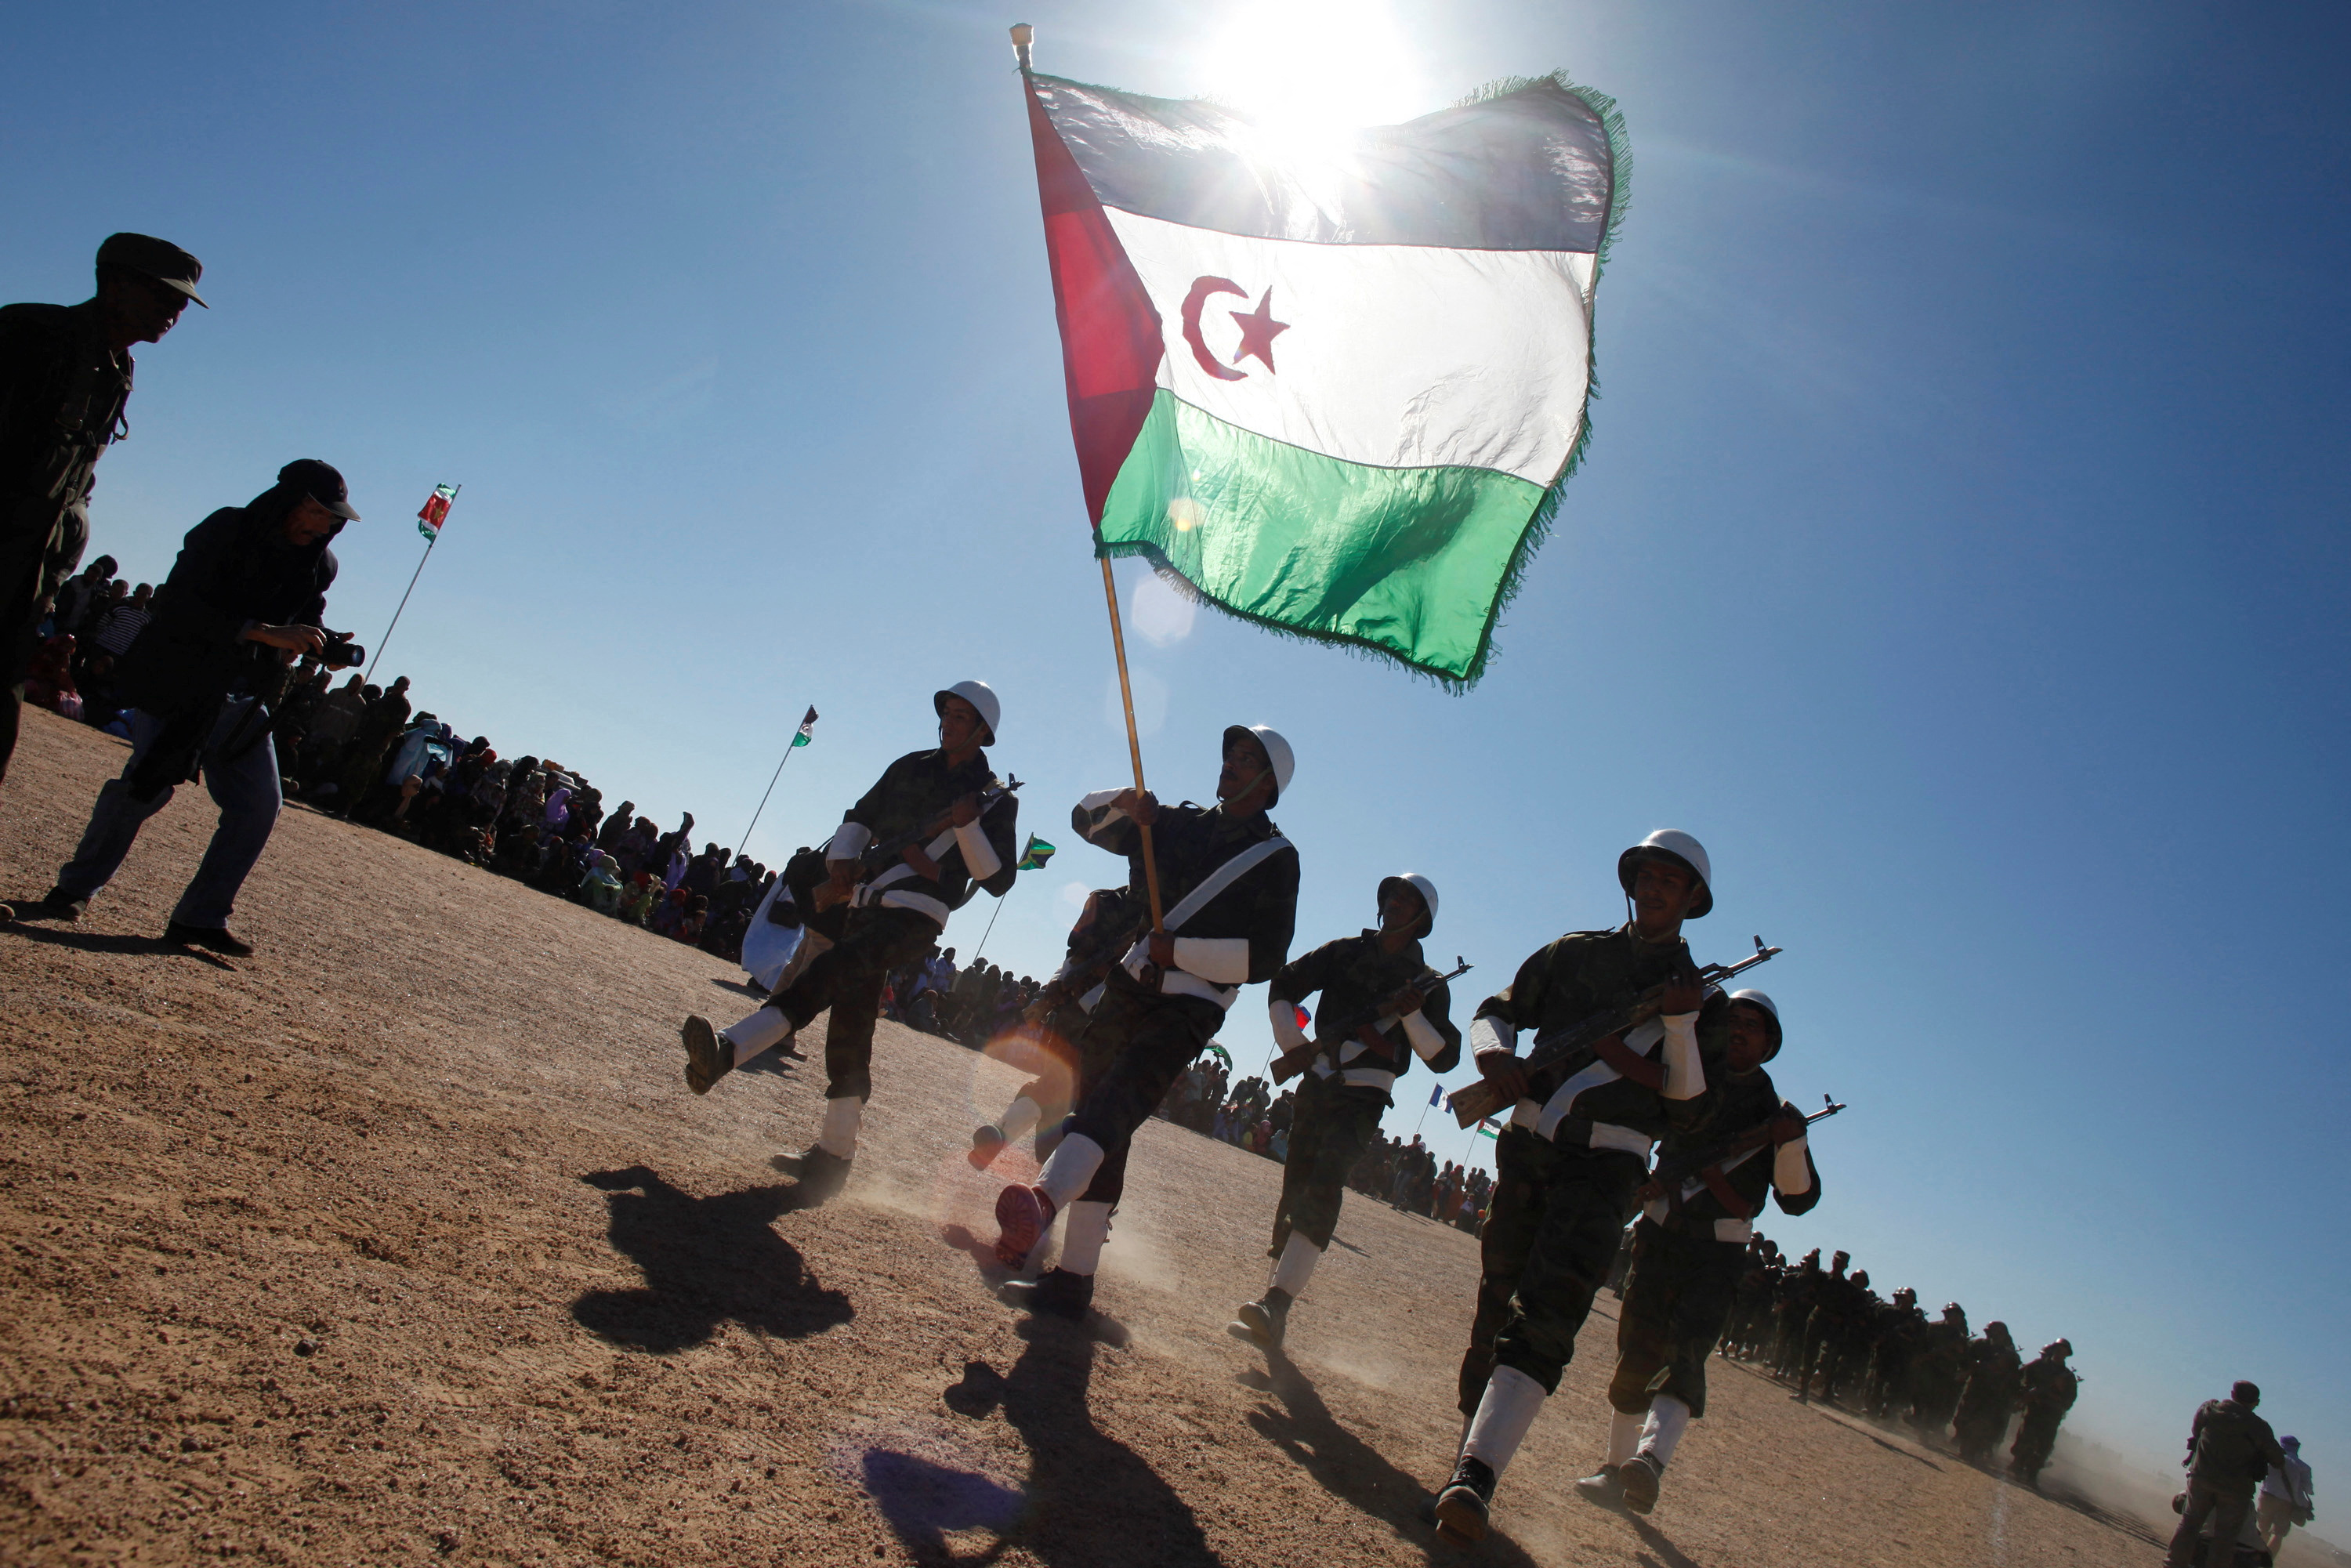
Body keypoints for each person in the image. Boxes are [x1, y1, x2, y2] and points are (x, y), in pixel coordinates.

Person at [1432, 831, 1715, 1545]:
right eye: (1647, 876)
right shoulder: (1575, 952)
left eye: (1671, 882)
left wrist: (1678, 1024)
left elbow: (1688, 1111)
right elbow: (1496, 1009)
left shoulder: (1703, 1004)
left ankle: (1479, 1474)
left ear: (1691, 900)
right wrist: (1496, 1055)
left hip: (1609, 1166)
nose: (1654, 889)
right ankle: (1467, 1452)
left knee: (1551, 1308)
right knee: (1497, 1297)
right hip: (1529, 1147)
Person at [988, 724, 1300, 1323]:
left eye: (1247, 760)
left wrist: (1177, 954)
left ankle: (1044, 1200)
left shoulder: (1277, 860)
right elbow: (1085, 822)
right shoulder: (1176, 822)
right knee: (1105, 1123)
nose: (1231, 764)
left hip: (1191, 1003)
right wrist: (1123, 802)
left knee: (1113, 1103)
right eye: (1231, 753)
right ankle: (1074, 1279)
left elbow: (1266, 958)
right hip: (1129, 986)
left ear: (1268, 785)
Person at [676, 683, 1018, 1202]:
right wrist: (842, 860)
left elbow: (997, 879)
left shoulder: (994, 797)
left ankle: (727, 1049)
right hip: (865, 901)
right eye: (947, 711)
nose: (949, 720)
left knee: (827, 972)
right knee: (851, 1027)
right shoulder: (910, 765)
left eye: (961, 715)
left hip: (918, 916)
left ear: (982, 731)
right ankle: (834, 1158)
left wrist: (968, 827)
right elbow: (861, 814)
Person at [3, 461, 358, 951]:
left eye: (332, 516)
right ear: (289, 500)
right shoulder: (226, 530)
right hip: (178, 681)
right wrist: (258, 630)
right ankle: (72, 891)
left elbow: (306, 616)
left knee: (259, 806)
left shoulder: (321, 566)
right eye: (318, 511)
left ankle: (200, 918)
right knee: (145, 790)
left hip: (239, 697)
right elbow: (178, 603)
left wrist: (319, 645)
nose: (326, 524)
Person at [1574, 989, 1818, 1515]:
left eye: (1753, 1025)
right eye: (1733, 1020)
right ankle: (1615, 1466)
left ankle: (1650, 1460)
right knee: (1634, 1350)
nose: (1739, 1030)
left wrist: (1790, 1141)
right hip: (1661, 1235)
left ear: (1769, 1042)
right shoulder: (1690, 1078)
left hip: (1716, 1254)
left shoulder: (1774, 1113)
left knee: (1685, 1355)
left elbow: (1796, 1197)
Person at [1, 234, 203, 787]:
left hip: (27, 580)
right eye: (164, 296)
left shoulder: (117, 370)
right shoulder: (31, 336)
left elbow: (75, 479)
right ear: (114, 285)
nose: (175, 311)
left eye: (182, 302)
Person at [1230, 872, 1460, 1349]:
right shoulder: (1343, 951)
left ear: (1423, 919)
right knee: (1296, 1183)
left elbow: (1443, 1058)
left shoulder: (1430, 983)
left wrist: (1411, 1013)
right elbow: (1284, 985)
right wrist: (1297, 1047)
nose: (1395, 903)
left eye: (1407, 900)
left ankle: (1278, 1302)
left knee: (1325, 1182)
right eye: (1392, 895)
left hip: (1366, 1093)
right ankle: (1269, 1303)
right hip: (1319, 1080)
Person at [2165, 1382, 2288, 1568]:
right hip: (2236, 1491)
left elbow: (2196, 1431)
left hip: (2201, 1479)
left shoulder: (2211, 1410)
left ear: (2232, 1394)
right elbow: (2278, 1460)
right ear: (2257, 1402)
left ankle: (2173, 1564)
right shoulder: (2259, 1427)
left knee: (2189, 1525)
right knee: (2224, 1539)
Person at [2008, 1338, 2078, 1487]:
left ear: (2067, 1354)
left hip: (2051, 1414)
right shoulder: (2039, 1366)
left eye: (2063, 1350)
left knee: (2043, 1445)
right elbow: (2021, 1377)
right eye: (2057, 1349)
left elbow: (2069, 1401)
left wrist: (2057, 1394)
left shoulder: (2068, 1377)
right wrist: (2024, 1393)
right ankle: (2018, 1466)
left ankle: (2032, 1475)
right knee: (2025, 1438)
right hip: (2033, 1409)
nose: (2059, 1353)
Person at [1953, 1320, 2022, 1464]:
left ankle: (1975, 1450)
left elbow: (2014, 1378)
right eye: (1990, 1332)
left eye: (1996, 1333)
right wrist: (1972, 1366)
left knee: (1984, 1423)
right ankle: (1965, 1444)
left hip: (1995, 1394)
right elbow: (1966, 1359)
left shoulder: (2010, 1356)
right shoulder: (1980, 1345)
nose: (1992, 1335)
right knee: (1964, 1417)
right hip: (1976, 1387)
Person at [2257, 1435, 2314, 1560]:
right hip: (2286, 1504)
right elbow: (2309, 1490)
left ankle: (2252, 1559)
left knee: (2263, 1530)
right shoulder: (2303, 1467)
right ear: (2297, 1447)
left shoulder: (2271, 1457)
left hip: (2267, 1497)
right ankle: (2266, 1562)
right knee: (2278, 1534)